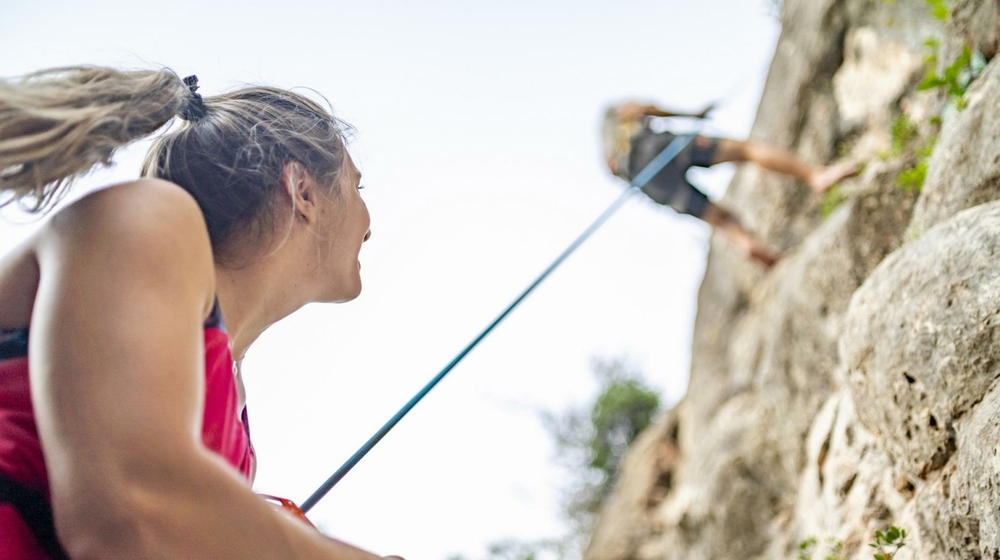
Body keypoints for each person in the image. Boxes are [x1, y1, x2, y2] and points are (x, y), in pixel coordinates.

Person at [0, 67, 397, 559]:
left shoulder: (233, 412)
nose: (369, 224)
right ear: (303, 190)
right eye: (359, 187)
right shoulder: (152, 217)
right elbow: (134, 513)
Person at [601, 100, 858, 267]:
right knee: (746, 150)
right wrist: (693, 114)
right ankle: (814, 176)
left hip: (649, 181)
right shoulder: (613, 114)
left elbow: (612, 169)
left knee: (720, 219)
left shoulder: (608, 148)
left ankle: (746, 243)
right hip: (657, 146)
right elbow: (645, 107)